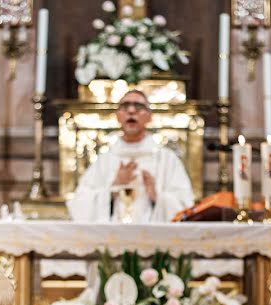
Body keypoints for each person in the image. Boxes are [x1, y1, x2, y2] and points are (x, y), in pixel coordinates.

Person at [67, 89, 194, 223]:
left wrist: (156, 195)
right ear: (117, 116)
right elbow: (79, 205)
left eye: (139, 106)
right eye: (125, 106)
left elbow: (186, 206)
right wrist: (113, 188)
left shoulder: (167, 160)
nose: (131, 111)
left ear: (150, 116)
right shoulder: (105, 160)